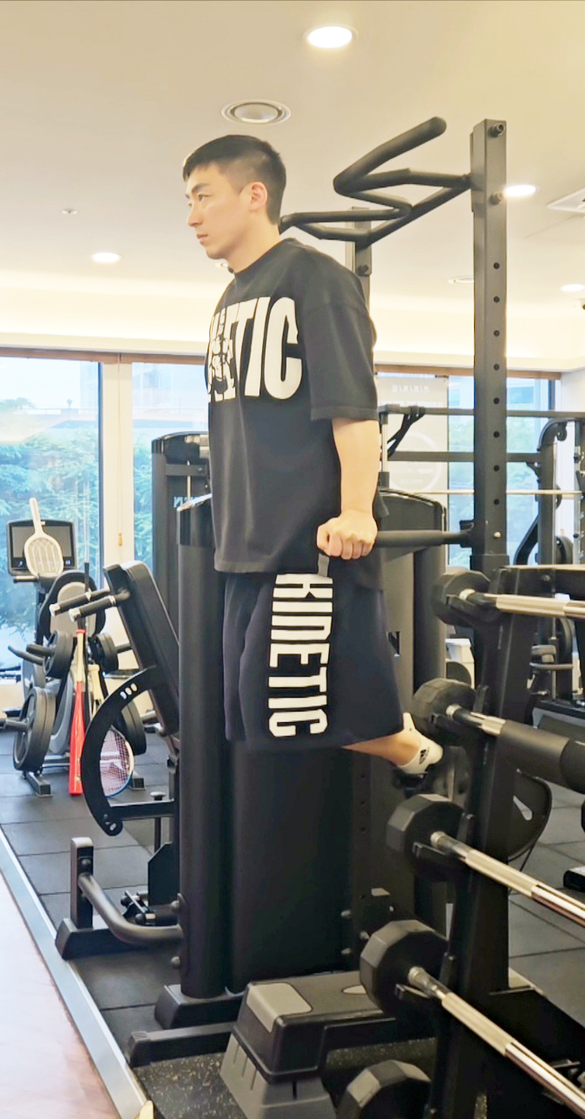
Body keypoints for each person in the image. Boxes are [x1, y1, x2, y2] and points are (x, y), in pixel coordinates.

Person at [182, 133, 442, 774]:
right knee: (253, 719)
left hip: (312, 548)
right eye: (189, 201)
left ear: (254, 195)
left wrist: (357, 511)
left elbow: (354, 409)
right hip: (246, 548)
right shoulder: (230, 298)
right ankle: (406, 740)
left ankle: (424, 754)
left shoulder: (317, 280)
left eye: (203, 197)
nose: (192, 216)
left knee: (296, 717)